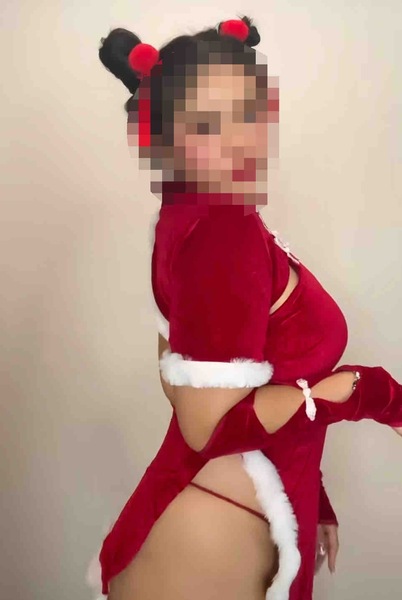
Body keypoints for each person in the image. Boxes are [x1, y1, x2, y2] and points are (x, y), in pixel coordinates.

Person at [86, 15, 402, 600]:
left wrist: (312, 493)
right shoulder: (221, 230)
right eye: (208, 125)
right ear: (166, 137)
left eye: (248, 113)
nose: (239, 140)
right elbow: (206, 425)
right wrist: (365, 391)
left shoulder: (194, 215)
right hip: (214, 539)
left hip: (237, 508)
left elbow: (202, 383)